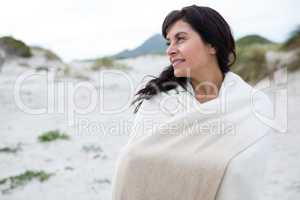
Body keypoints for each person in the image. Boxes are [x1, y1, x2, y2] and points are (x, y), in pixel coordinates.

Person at [112, 5, 273, 200]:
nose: (170, 50)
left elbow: (247, 178)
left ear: (212, 44)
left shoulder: (252, 106)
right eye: (168, 43)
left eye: (180, 39)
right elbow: (132, 163)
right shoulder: (158, 103)